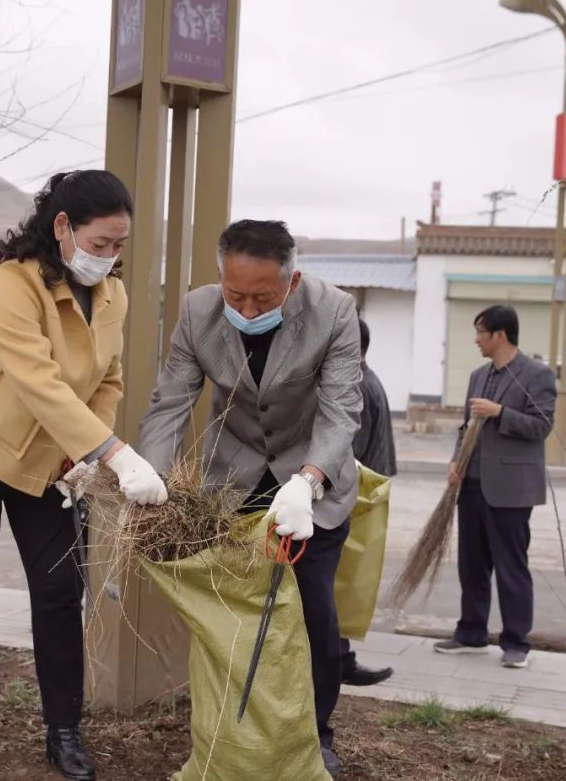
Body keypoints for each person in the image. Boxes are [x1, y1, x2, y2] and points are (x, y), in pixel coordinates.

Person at [0, 170, 168, 781]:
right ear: (62, 228)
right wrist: (114, 455)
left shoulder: (114, 296)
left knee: (58, 594)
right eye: (101, 243)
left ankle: (63, 733)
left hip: (53, 461)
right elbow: (37, 381)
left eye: (118, 246)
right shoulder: (9, 285)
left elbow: (106, 380)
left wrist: (81, 455)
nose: (110, 257)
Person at [137, 219, 363, 778]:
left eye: (262, 296)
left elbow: (341, 412)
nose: (246, 305)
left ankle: (316, 734)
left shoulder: (334, 312)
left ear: (292, 281)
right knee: (231, 617)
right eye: (235, 293)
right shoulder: (198, 311)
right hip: (231, 480)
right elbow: (171, 403)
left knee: (311, 614)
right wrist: (146, 481)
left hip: (310, 480)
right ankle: (233, 733)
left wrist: (307, 483)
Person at [433, 305, 556, 669]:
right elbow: (465, 426)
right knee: (471, 564)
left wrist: (499, 412)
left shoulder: (537, 375)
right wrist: (457, 461)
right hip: (471, 484)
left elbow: (541, 426)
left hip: (511, 489)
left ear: (499, 335)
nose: (475, 340)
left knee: (511, 567)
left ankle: (516, 642)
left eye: (480, 333)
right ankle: (470, 632)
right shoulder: (477, 376)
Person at [339, 317, 395, 687]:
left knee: (339, 582)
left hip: (354, 495)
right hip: (365, 494)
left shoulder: (355, 383)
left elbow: (346, 450)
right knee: (343, 582)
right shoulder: (367, 378)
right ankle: (341, 660)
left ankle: (340, 662)